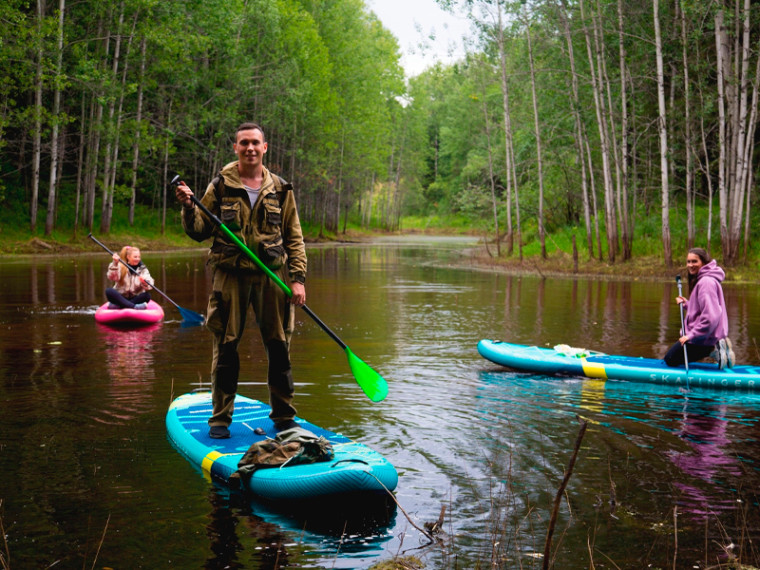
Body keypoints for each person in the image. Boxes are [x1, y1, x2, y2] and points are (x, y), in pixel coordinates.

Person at [174, 122, 307, 439]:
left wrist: (298, 279)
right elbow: (198, 232)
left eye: (255, 143)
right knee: (226, 346)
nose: (249, 148)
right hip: (229, 276)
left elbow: (294, 237)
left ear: (265, 147)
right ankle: (220, 419)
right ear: (236, 148)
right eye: (243, 142)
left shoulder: (281, 188)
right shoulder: (219, 186)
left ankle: (284, 416)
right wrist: (188, 206)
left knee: (279, 347)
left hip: (272, 276)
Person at [664, 248, 735, 370]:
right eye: (688, 261)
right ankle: (715, 348)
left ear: (704, 262)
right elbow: (704, 308)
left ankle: (714, 350)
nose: (690, 265)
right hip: (706, 336)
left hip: (703, 339)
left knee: (670, 359)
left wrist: (691, 335)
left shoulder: (705, 282)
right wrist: (687, 304)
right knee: (672, 357)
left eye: (694, 261)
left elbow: (710, 317)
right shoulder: (706, 279)